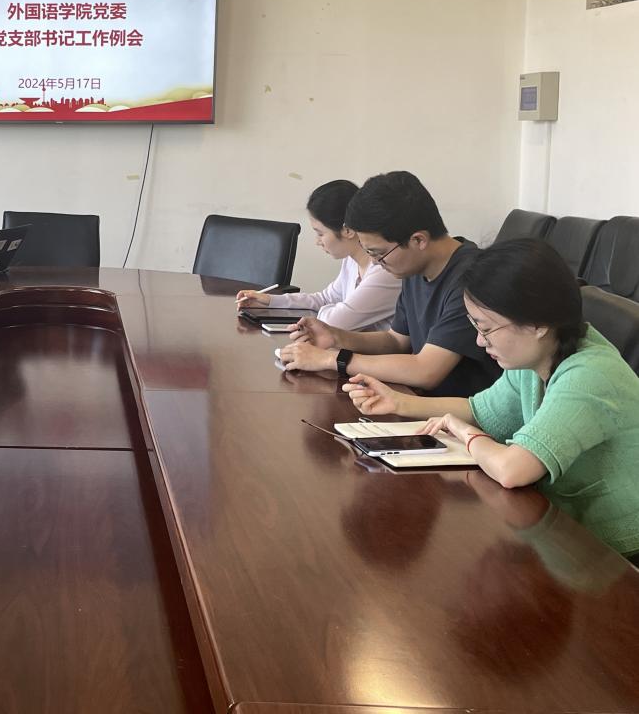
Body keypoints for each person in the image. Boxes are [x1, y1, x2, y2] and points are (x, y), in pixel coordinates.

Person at [344, 238, 639, 562]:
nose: (479, 341)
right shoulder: (539, 355)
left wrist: (467, 434)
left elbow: (513, 470)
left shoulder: (589, 375)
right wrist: (399, 402)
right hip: (562, 531)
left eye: (486, 329)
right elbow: (479, 410)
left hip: (615, 554)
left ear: (537, 324)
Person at [279, 170, 500, 396]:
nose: (375, 262)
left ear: (418, 240)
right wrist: (336, 336)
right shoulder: (415, 267)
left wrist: (330, 359)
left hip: (457, 410)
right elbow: (395, 340)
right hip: (417, 400)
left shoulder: (472, 279)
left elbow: (426, 371)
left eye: (379, 254)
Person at [235, 179, 401, 331]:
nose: (317, 241)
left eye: (320, 233)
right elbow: (325, 299)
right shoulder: (351, 261)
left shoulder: (384, 270)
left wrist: (338, 309)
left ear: (348, 230)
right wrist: (270, 301)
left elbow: (336, 322)